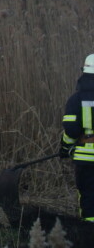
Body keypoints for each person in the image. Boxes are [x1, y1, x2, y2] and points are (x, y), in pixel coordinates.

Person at [59, 53, 94, 222]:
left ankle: (89, 230)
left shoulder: (76, 100)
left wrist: (65, 148)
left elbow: (71, 130)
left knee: (88, 196)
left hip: (86, 158)